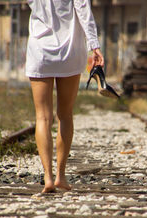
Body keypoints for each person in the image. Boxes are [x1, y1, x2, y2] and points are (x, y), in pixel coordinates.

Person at [25, 0, 104, 193]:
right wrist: (94, 46)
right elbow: (83, 10)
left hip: (40, 51)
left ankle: (48, 178)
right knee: (65, 115)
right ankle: (61, 175)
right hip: (70, 52)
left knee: (43, 117)